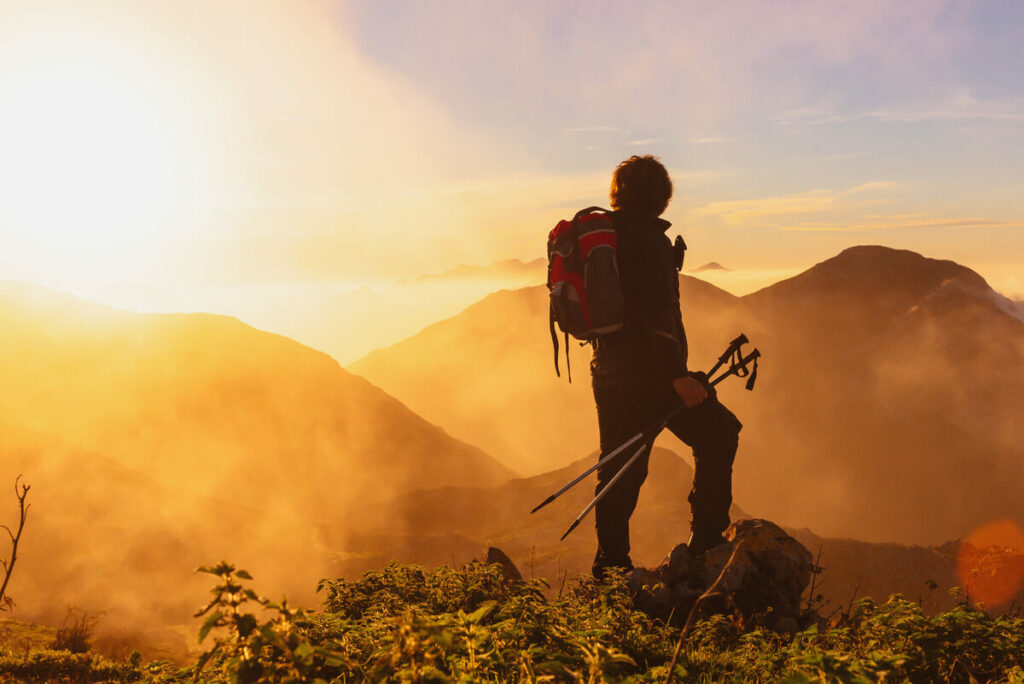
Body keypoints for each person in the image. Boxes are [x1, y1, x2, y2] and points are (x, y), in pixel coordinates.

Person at [590, 155, 743, 579]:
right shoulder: (649, 242)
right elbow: (652, 316)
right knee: (719, 433)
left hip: (609, 372)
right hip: (653, 377)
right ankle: (706, 541)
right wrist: (677, 377)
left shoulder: (610, 238)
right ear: (660, 195)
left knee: (620, 465)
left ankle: (610, 566)